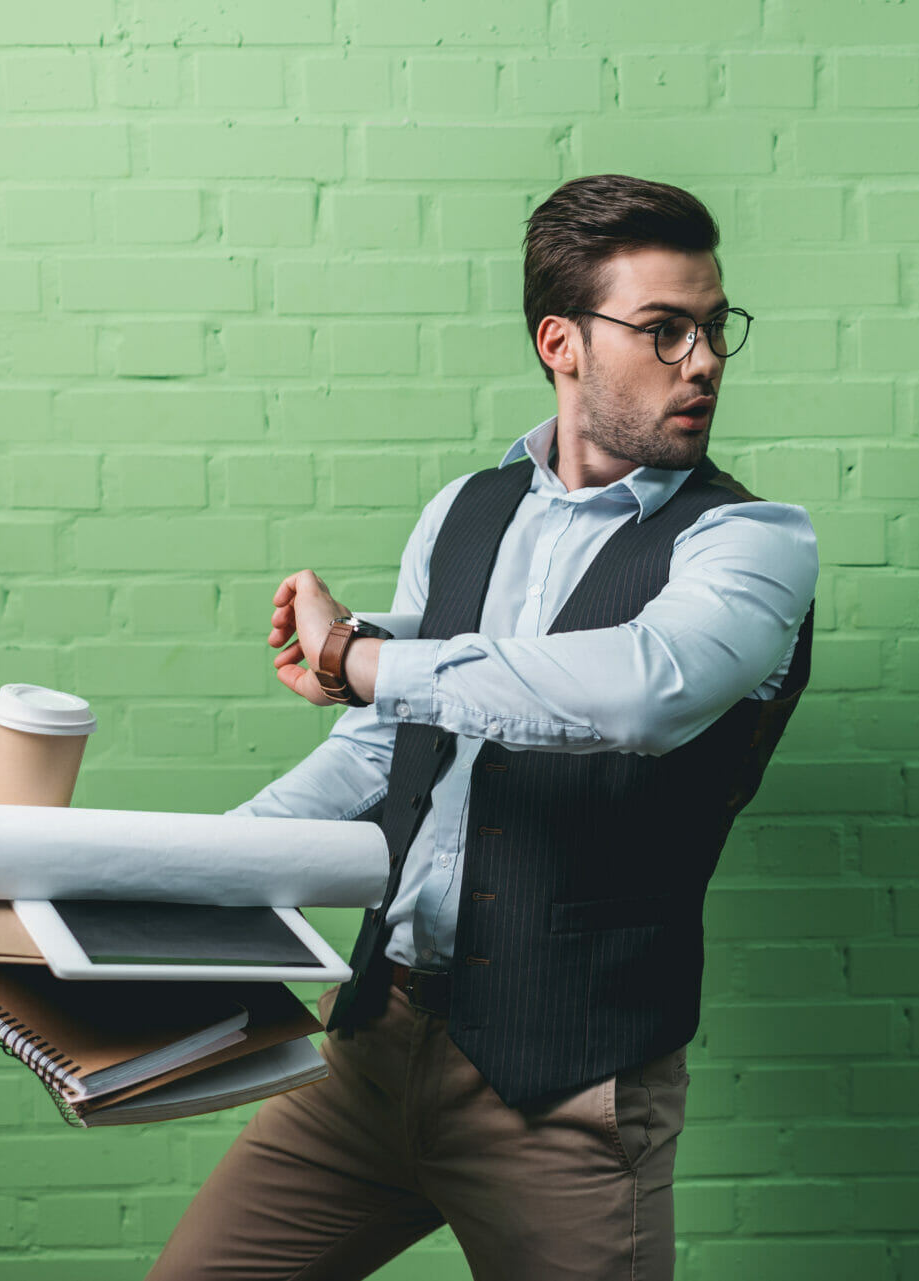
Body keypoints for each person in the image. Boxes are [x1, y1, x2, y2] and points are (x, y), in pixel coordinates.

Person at [147, 174, 817, 1280]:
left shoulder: (749, 544)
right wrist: (185, 875)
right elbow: (381, 746)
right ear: (562, 341)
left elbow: (638, 691)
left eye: (712, 327)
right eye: (663, 330)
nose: (702, 361)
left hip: (568, 1093)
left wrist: (362, 657)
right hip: (372, 1050)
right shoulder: (466, 512)